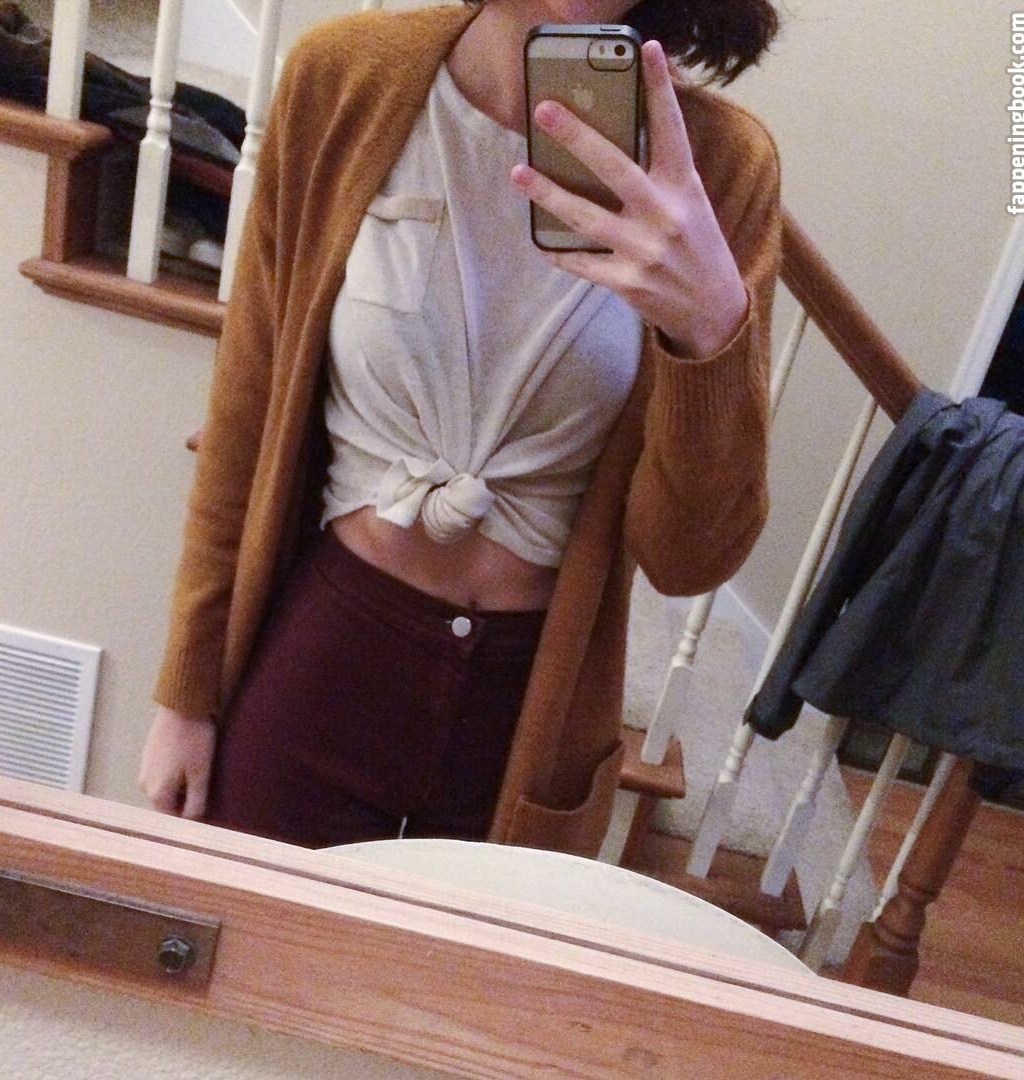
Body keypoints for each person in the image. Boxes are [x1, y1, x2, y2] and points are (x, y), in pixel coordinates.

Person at [137, 0, 782, 854]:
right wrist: (186, 694)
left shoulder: (723, 170)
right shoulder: (343, 79)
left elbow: (689, 558)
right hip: (326, 661)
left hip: (529, 718)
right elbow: (244, 418)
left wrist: (708, 334)